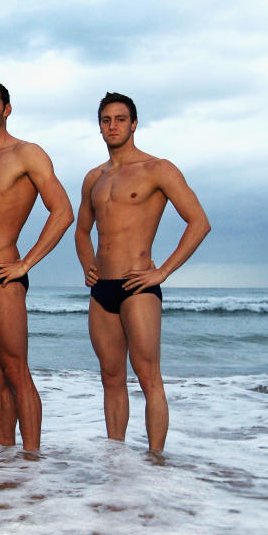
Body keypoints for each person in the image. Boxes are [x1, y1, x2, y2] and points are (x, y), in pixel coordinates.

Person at [75, 92, 210, 452]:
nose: (113, 126)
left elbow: (199, 222)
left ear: (134, 124)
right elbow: (82, 230)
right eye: (106, 120)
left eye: (120, 119)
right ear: (99, 127)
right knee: (111, 378)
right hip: (101, 289)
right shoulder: (94, 177)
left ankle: (155, 463)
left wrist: (162, 271)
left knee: (149, 376)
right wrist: (88, 264)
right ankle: (116, 460)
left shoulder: (157, 169)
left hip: (138, 285)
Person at [0, 81, 73, 451]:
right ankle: (5, 456)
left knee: (16, 370)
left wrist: (25, 263)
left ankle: (32, 459)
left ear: (7, 109)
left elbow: (63, 211)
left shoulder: (27, 153)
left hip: (4, 273)